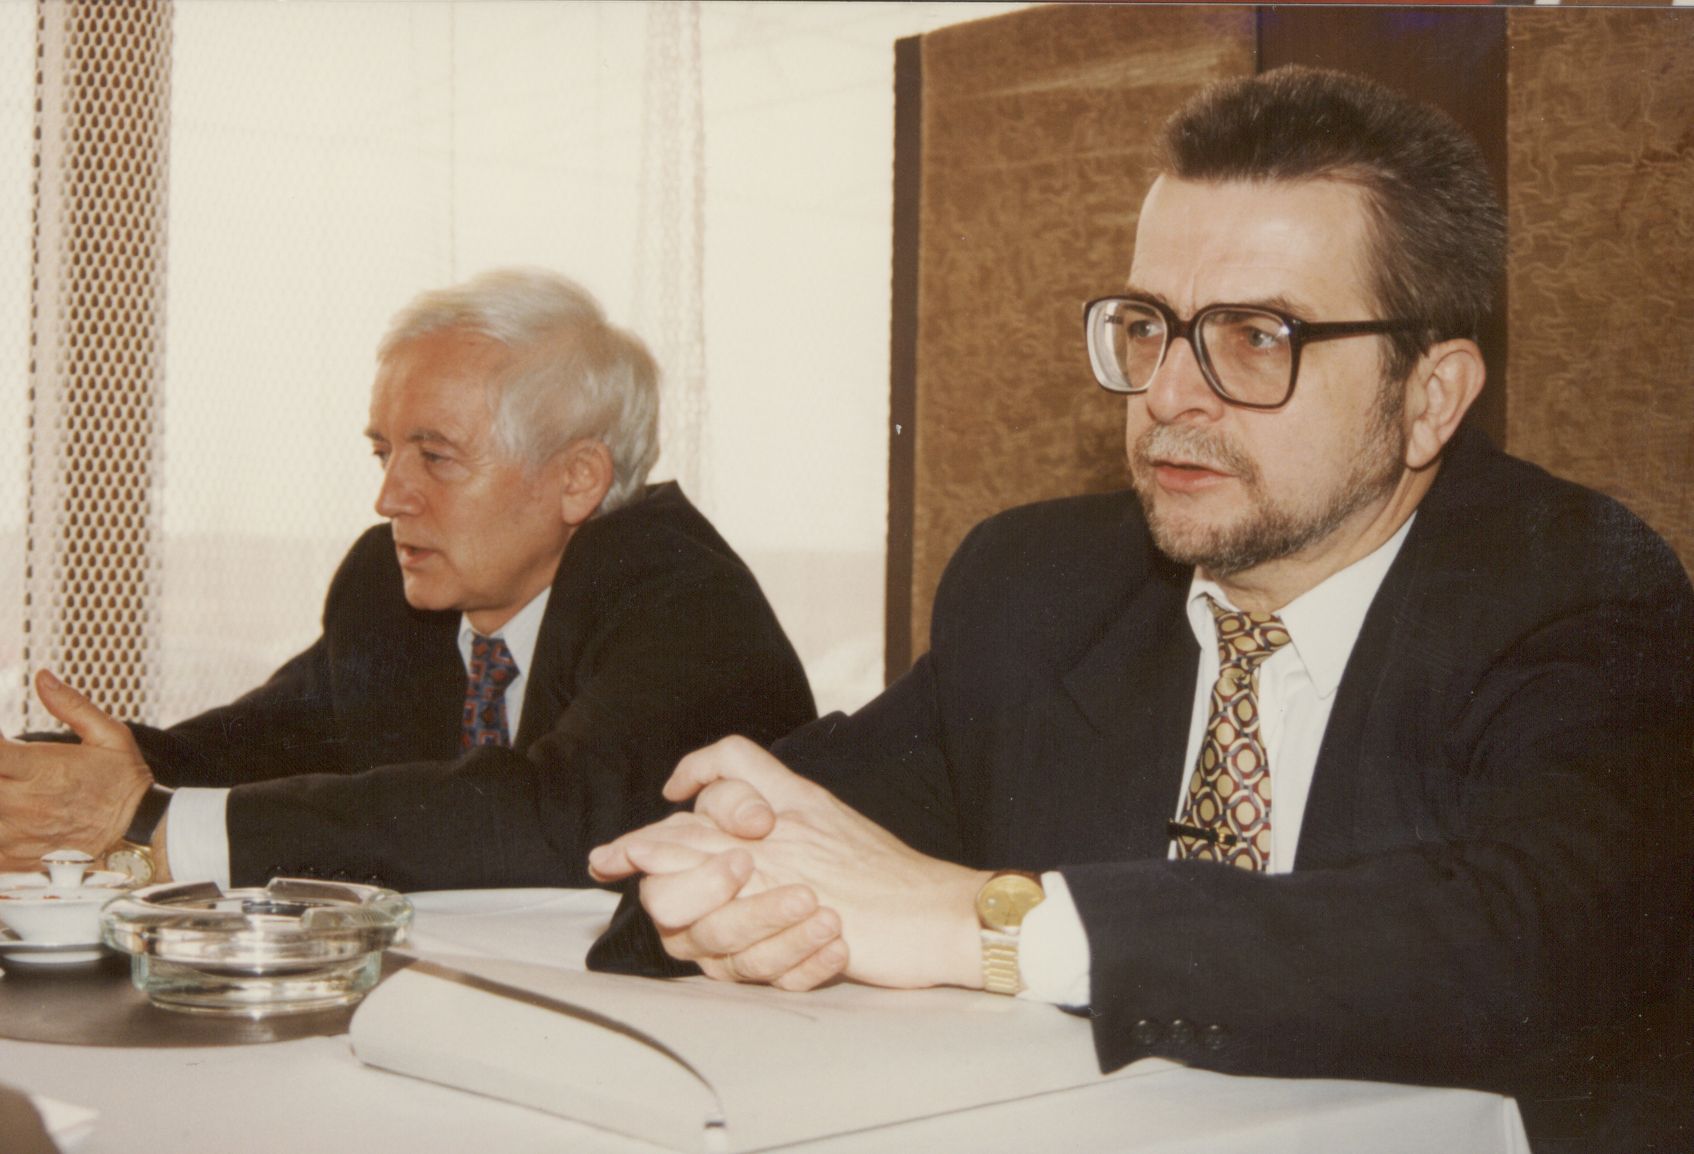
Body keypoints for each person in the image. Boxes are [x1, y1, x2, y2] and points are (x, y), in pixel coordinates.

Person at [585, 69, 1694, 1152]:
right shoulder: (1039, 585)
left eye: (1256, 337)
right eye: (1149, 325)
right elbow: (771, 845)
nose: (1166, 393)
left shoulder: (1580, 591)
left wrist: (990, 924)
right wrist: (725, 904)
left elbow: (1524, 939)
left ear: (1428, 397)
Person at [0, 268, 815, 892]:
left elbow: (550, 816)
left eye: (436, 457)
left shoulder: (686, 601)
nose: (390, 497)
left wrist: (147, 823)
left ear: (577, 480)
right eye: (384, 452)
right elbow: (242, 749)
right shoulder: (387, 586)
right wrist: (45, 775)